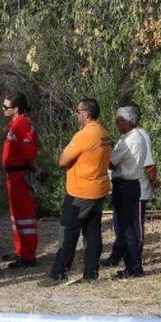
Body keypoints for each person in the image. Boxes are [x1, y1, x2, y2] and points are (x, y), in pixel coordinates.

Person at [48, 98, 112, 283]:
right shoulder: (104, 133)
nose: (76, 115)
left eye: (78, 112)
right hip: (98, 190)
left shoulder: (84, 135)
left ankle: (59, 273)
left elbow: (62, 160)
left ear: (86, 114)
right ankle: (91, 274)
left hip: (80, 192)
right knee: (93, 233)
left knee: (67, 233)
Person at [101, 104, 159, 270]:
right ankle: (125, 259)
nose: (116, 124)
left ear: (130, 121)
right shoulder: (129, 136)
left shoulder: (136, 137)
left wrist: (154, 180)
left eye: (119, 120)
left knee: (131, 228)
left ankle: (134, 263)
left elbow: (149, 165)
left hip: (131, 184)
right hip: (128, 184)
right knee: (124, 226)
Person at [1, 92, 40, 268]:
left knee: (24, 215)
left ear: (16, 109)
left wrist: (36, 172)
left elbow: (29, 153)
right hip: (13, 175)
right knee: (16, 215)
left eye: (5, 107)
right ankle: (20, 251)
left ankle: (28, 255)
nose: (2, 110)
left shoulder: (22, 124)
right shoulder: (16, 124)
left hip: (20, 175)